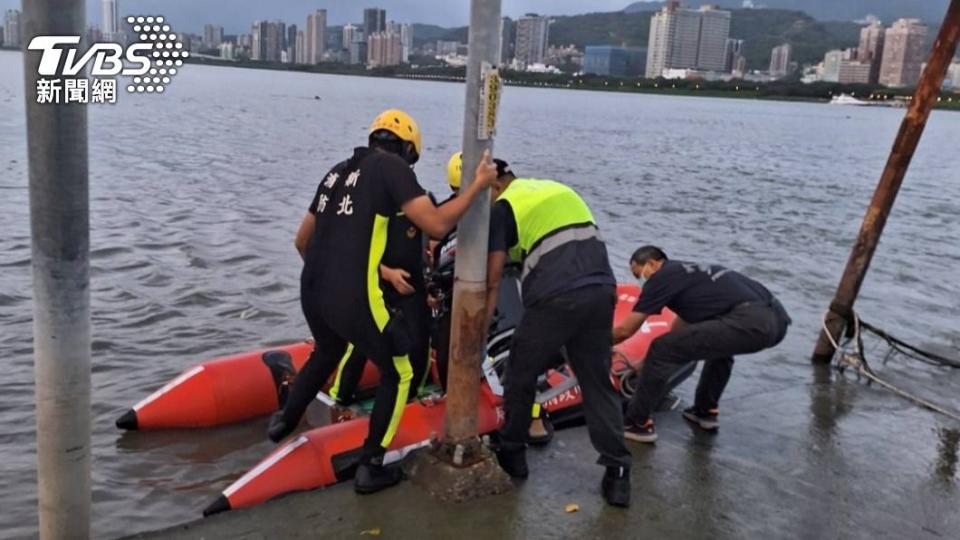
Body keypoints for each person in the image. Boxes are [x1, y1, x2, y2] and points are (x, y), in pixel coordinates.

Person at [271, 109, 497, 495]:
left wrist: (329, 281)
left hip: (312, 288)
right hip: (356, 295)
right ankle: (371, 465)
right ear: (408, 149)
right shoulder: (392, 169)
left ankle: (283, 421)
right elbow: (438, 225)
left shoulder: (337, 172)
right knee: (399, 371)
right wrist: (476, 186)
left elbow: (301, 240)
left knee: (328, 349)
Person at [484, 159, 632, 508]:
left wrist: (478, 327)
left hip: (555, 296)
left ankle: (513, 456)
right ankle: (619, 475)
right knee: (596, 381)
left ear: (495, 186)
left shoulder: (504, 207)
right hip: (601, 289)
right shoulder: (558, 190)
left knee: (519, 372)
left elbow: (492, 278)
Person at [612, 246, 791, 443]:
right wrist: (646, 363)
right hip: (777, 320)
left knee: (660, 348)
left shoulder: (661, 277)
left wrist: (588, 345)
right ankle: (704, 412)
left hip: (749, 321)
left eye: (638, 274)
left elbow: (625, 331)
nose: (640, 281)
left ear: (652, 264)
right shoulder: (690, 272)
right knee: (719, 348)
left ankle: (636, 423)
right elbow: (682, 328)